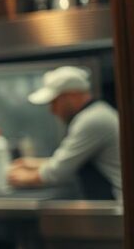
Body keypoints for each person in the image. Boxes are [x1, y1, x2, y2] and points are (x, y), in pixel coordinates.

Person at [8, 65, 122, 200]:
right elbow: (71, 160)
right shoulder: (96, 113)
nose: (52, 110)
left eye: (54, 102)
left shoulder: (92, 120)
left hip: (117, 206)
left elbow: (56, 173)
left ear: (73, 95)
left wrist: (21, 176)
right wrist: (33, 163)